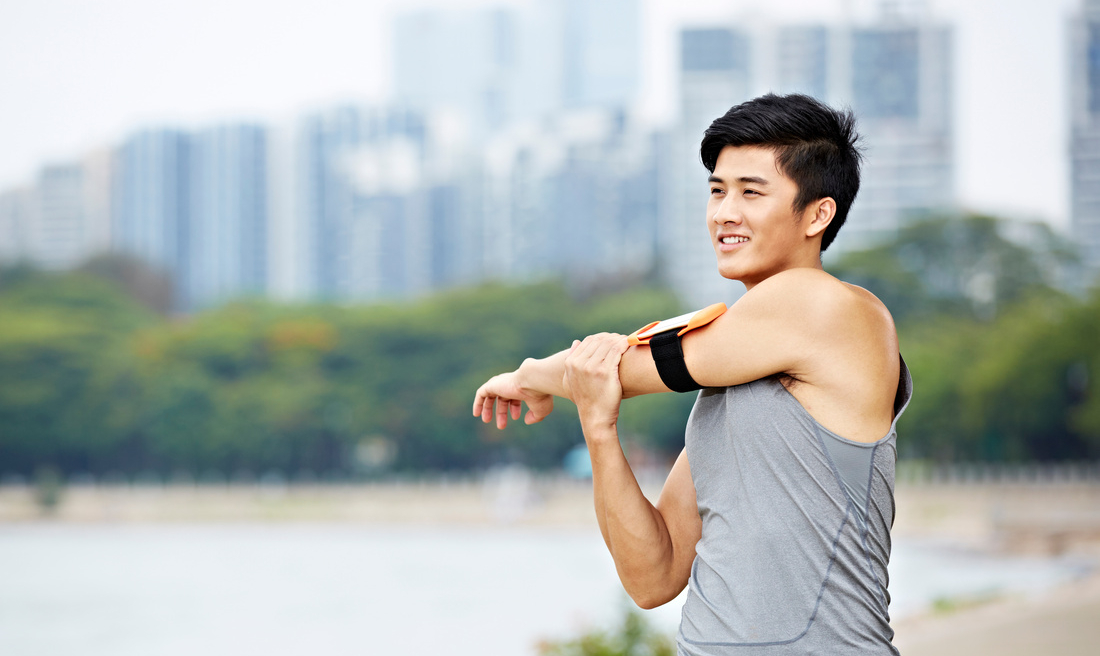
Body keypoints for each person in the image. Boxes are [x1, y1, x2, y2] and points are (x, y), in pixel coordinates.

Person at [472, 93, 912, 655]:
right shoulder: (727, 387)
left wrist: (528, 375)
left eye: (751, 192)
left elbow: (636, 366)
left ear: (817, 214)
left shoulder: (828, 306)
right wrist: (598, 428)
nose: (724, 212)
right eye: (717, 190)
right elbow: (652, 578)